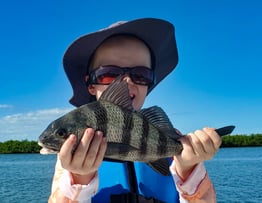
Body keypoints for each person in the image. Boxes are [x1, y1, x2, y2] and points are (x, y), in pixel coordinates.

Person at [48, 18, 221, 203]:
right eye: (109, 74)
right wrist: (80, 179)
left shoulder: (176, 143)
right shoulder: (70, 158)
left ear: (149, 84)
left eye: (140, 75)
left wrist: (189, 169)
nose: (126, 82)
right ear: (90, 84)